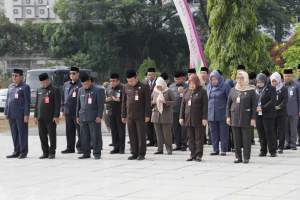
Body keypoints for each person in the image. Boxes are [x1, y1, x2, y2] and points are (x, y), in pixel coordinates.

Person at [226, 71, 256, 164]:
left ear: (246, 79)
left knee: (246, 139)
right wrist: (228, 117)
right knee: (236, 139)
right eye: (238, 78)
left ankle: (246, 157)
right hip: (234, 117)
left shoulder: (251, 90)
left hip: (246, 118)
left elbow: (254, 106)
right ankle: (238, 157)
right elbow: (228, 105)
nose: (239, 80)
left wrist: (253, 118)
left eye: (241, 78)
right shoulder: (233, 90)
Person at [122, 69, 151, 160]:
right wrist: (123, 115)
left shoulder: (144, 86)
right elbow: (124, 102)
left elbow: (147, 102)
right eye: (128, 81)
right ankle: (134, 153)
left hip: (141, 116)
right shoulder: (126, 87)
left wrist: (147, 115)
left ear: (136, 77)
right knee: (132, 135)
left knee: (141, 135)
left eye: (132, 80)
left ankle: (141, 154)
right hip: (130, 116)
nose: (130, 82)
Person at [76, 73, 105, 159]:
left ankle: (97, 153)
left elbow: (101, 105)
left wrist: (99, 116)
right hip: (83, 117)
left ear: (90, 81)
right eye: (83, 84)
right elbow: (78, 104)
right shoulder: (80, 90)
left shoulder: (98, 90)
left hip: (94, 117)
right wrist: (77, 116)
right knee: (84, 136)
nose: (85, 86)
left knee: (95, 136)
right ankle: (86, 153)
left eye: (86, 84)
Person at [180, 74, 208, 162]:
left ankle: (198, 155)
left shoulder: (202, 91)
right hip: (188, 119)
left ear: (196, 82)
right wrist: (181, 117)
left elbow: (205, 106)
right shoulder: (186, 91)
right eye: (189, 83)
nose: (191, 85)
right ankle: (192, 154)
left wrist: (204, 118)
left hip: (199, 119)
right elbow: (183, 105)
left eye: (193, 83)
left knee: (198, 138)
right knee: (190, 138)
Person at [5, 69, 31, 159]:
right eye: (13, 75)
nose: (14, 77)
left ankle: (23, 152)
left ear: (21, 77)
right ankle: (16, 151)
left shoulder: (25, 87)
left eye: (16, 75)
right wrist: (6, 112)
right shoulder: (10, 86)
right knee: (14, 134)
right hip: (11, 114)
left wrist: (26, 114)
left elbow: (27, 102)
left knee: (22, 133)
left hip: (21, 115)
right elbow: (8, 100)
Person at [34, 73, 61, 159]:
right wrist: (35, 116)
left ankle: (52, 152)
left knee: (52, 136)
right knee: (42, 136)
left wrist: (56, 116)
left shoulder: (55, 90)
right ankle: (45, 152)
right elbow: (37, 104)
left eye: (45, 81)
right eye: (42, 82)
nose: (44, 83)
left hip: (51, 118)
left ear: (48, 80)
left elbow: (57, 104)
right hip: (40, 117)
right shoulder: (39, 90)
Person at [207, 70, 231, 156]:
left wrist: (229, 114)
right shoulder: (209, 86)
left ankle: (223, 149)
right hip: (211, 114)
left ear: (219, 79)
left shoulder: (225, 86)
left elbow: (229, 100)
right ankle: (215, 149)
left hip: (222, 113)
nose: (214, 81)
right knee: (213, 133)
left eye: (215, 79)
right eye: (212, 79)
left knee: (223, 133)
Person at [151, 77, 175, 155]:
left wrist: (165, 102)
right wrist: (154, 102)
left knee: (167, 134)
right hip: (156, 115)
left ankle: (169, 149)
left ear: (163, 84)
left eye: (160, 86)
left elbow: (174, 102)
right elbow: (150, 101)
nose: (159, 88)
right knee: (158, 134)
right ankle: (160, 149)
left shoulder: (169, 91)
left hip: (166, 115)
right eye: (157, 86)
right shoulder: (154, 91)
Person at [255, 73, 277, 157]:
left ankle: (272, 151)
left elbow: (273, 101)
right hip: (258, 115)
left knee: (269, 132)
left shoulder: (271, 88)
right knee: (261, 133)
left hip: (268, 114)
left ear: (265, 81)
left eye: (261, 81)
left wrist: (263, 108)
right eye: (258, 81)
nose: (259, 83)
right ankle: (263, 150)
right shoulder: (255, 90)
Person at [61, 66, 82, 154]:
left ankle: (81, 147)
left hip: (77, 112)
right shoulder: (66, 84)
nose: (72, 75)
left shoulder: (81, 84)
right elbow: (63, 98)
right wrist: (62, 109)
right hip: (68, 111)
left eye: (74, 73)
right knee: (69, 130)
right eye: (70, 73)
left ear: (78, 74)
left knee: (80, 131)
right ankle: (70, 147)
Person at [105, 73, 126, 154]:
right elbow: (105, 98)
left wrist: (118, 100)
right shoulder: (108, 88)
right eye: (111, 81)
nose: (112, 82)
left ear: (118, 81)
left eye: (114, 81)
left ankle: (121, 148)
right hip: (111, 112)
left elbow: (126, 100)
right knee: (113, 130)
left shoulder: (123, 87)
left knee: (121, 131)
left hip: (120, 112)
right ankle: (115, 147)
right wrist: (107, 99)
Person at [169, 71, 188, 151]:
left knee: (183, 128)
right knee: (175, 128)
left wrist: (183, 92)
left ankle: (184, 144)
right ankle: (178, 144)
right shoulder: (171, 86)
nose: (177, 80)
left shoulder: (187, 86)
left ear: (182, 79)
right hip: (174, 110)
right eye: (176, 79)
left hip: (184, 110)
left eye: (179, 79)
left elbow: (189, 96)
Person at [270, 72, 288, 154]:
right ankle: (274, 145)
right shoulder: (270, 89)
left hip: (281, 113)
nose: (274, 82)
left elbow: (285, 100)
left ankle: (281, 147)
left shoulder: (283, 88)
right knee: (273, 130)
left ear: (278, 80)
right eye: (272, 81)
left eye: (275, 81)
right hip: (272, 113)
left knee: (281, 130)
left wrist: (279, 106)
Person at [283, 68, 300, 150]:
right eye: (285, 76)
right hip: (284, 111)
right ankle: (287, 143)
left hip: (294, 111)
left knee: (293, 128)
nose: (287, 78)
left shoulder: (297, 85)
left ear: (292, 76)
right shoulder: (282, 85)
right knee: (285, 128)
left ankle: (293, 144)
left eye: (289, 76)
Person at [144, 67, 157, 147]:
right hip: (147, 106)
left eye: (151, 75)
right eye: (148, 75)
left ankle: (156, 141)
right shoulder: (145, 83)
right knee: (148, 124)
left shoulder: (158, 82)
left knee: (155, 124)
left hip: (155, 105)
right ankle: (151, 140)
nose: (150, 76)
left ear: (154, 74)